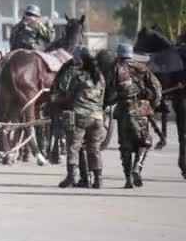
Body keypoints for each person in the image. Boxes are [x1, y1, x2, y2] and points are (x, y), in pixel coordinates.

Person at [105, 43, 162, 188]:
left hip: (124, 109)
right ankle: (138, 166)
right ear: (131, 54)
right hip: (142, 108)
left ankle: (128, 178)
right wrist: (152, 105)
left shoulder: (115, 68)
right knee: (143, 142)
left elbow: (109, 91)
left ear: (118, 54)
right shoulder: (143, 68)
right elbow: (156, 87)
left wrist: (106, 104)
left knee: (125, 146)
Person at [51, 46, 106, 189]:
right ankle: (98, 180)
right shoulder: (100, 77)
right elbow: (102, 98)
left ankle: (71, 177)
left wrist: (56, 100)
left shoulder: (78, 76)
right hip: (98, 118)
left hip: (80, 117)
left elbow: (69, 97)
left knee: (73, 147)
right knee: (94, 149)